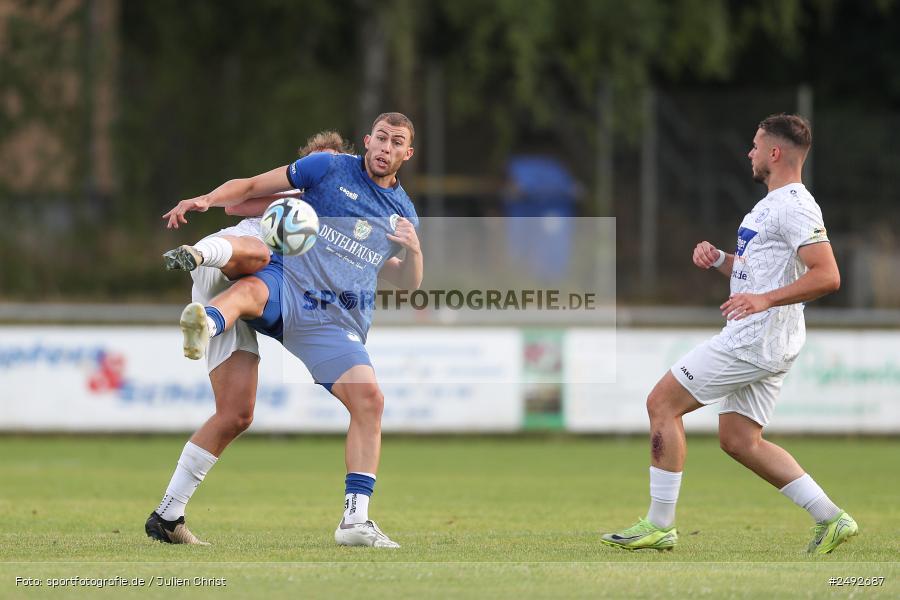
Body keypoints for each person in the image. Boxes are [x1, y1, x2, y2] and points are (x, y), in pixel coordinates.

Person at [145, 114, 421, 548]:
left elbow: (399, 277)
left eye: (395, 142)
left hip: (323, 316)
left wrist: (413, 252)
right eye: (380, 139)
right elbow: (246, 196)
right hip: (257, 277)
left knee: (255, 411)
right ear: (367, 142)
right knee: (258, 264)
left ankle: (169, 515)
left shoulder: (391, 214)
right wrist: (206, 200)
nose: (385, 148)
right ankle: (204, 294)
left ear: (407, 152)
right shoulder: (309, 189)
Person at [601, 114, 857, 555]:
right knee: (739, 440)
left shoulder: (795, 205)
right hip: (771, 338)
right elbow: (759, 271)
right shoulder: (770, 205)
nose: (750, 152)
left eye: (756, 145)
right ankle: (832, 517)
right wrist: (721, 259)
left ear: (775, 153)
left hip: (756, 336)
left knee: (661, 403)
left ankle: (660, 524)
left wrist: (764, 300)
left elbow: (828, 276)